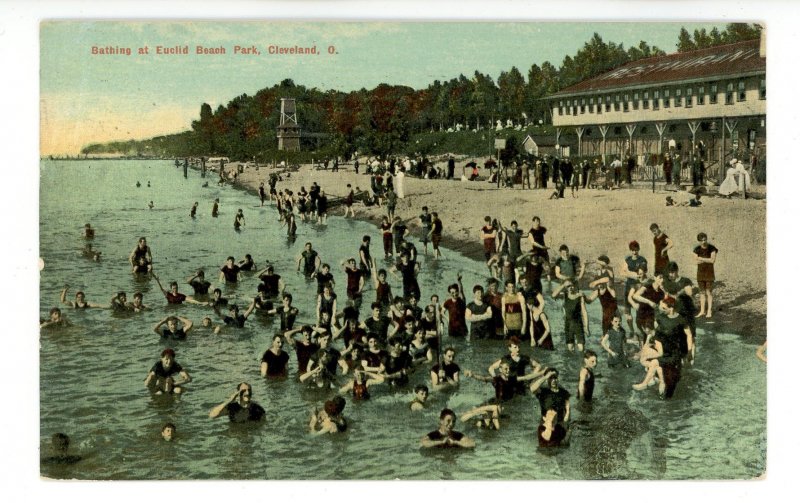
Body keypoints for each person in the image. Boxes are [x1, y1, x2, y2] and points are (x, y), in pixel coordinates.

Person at [551, 280, 589, 351]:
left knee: (581, 349)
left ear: (575, 286)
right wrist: (563, 285)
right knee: (570, 349)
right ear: (566, 288)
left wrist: (586, 327)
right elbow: (553, 295)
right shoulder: (564, 295)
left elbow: (584, 312)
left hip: (578, 324)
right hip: (568, 325)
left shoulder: (580, 296)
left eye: (572, 286)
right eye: (568, 286)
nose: (570, 288)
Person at [693, 232, 718, 318]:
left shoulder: (712, 248)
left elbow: (712, 261)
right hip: (700, 273)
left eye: (705, 240)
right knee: (702, 293)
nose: (703, 242)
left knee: (709, 292)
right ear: (699, 241)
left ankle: (709, 311)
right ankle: (702, 311)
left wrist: (701, 258)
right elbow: (695, 261)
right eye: (701, 240)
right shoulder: (696, 249)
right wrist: (705, 260)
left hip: (709, 273)